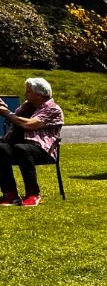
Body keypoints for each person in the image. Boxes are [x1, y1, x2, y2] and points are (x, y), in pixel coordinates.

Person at [0, 77, 64, 207]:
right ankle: (10, 194)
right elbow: (15, 119)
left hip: (43, 149)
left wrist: (5, 112)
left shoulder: (53, 109)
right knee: (1, 148)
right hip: (20, 146)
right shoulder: (26, 107)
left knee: (22, 149)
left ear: (40, 94)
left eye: (28, 92)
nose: (25, 94)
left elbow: (29, 125)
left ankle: (33, 194)